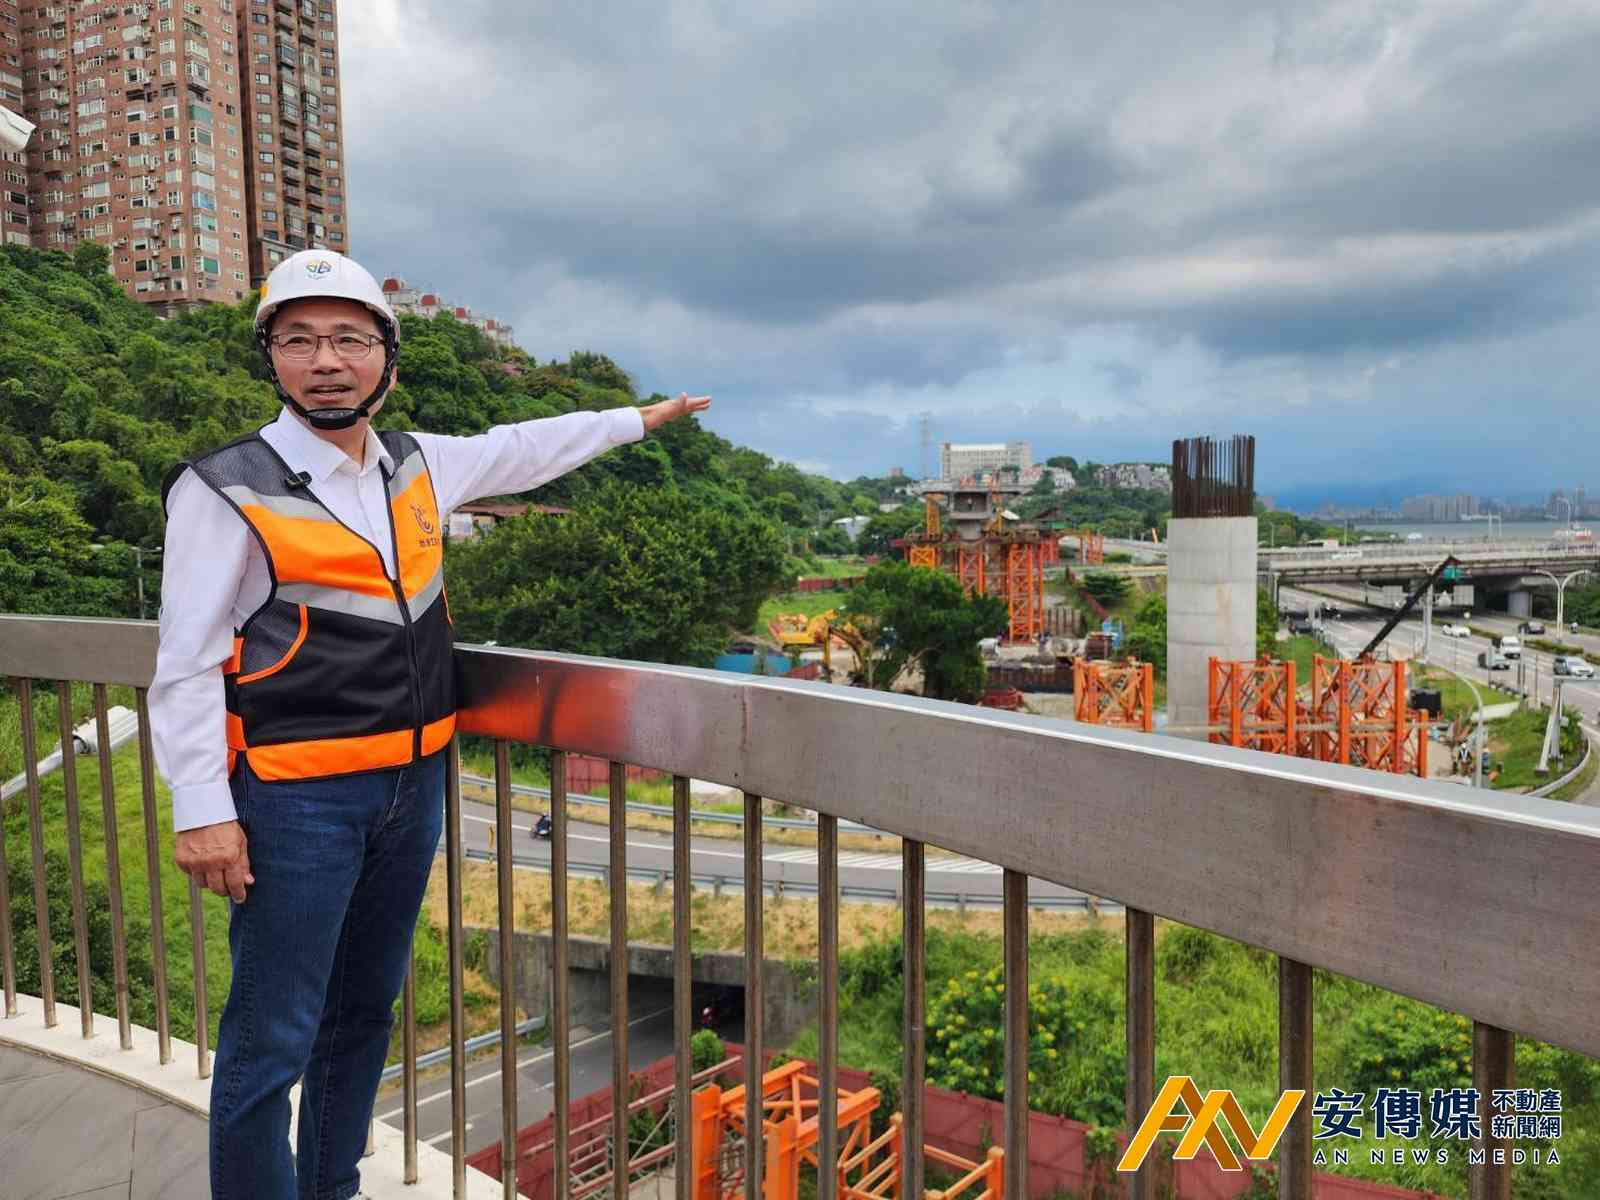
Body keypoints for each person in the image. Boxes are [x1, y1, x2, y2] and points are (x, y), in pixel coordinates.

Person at [148, 249, 709, 1200]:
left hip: (413, 787)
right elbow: (187, 661)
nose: (327, 361)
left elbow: (523, 448)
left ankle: (330, 1188)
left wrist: (635, 420)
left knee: (364, 1013)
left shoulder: (416, 463)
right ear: (271, 357)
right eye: (299, 341)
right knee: (271, 1036)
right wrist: (203, 809)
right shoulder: (224, 486)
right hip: (295, 799)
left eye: (349, 339)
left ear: (388, 359)